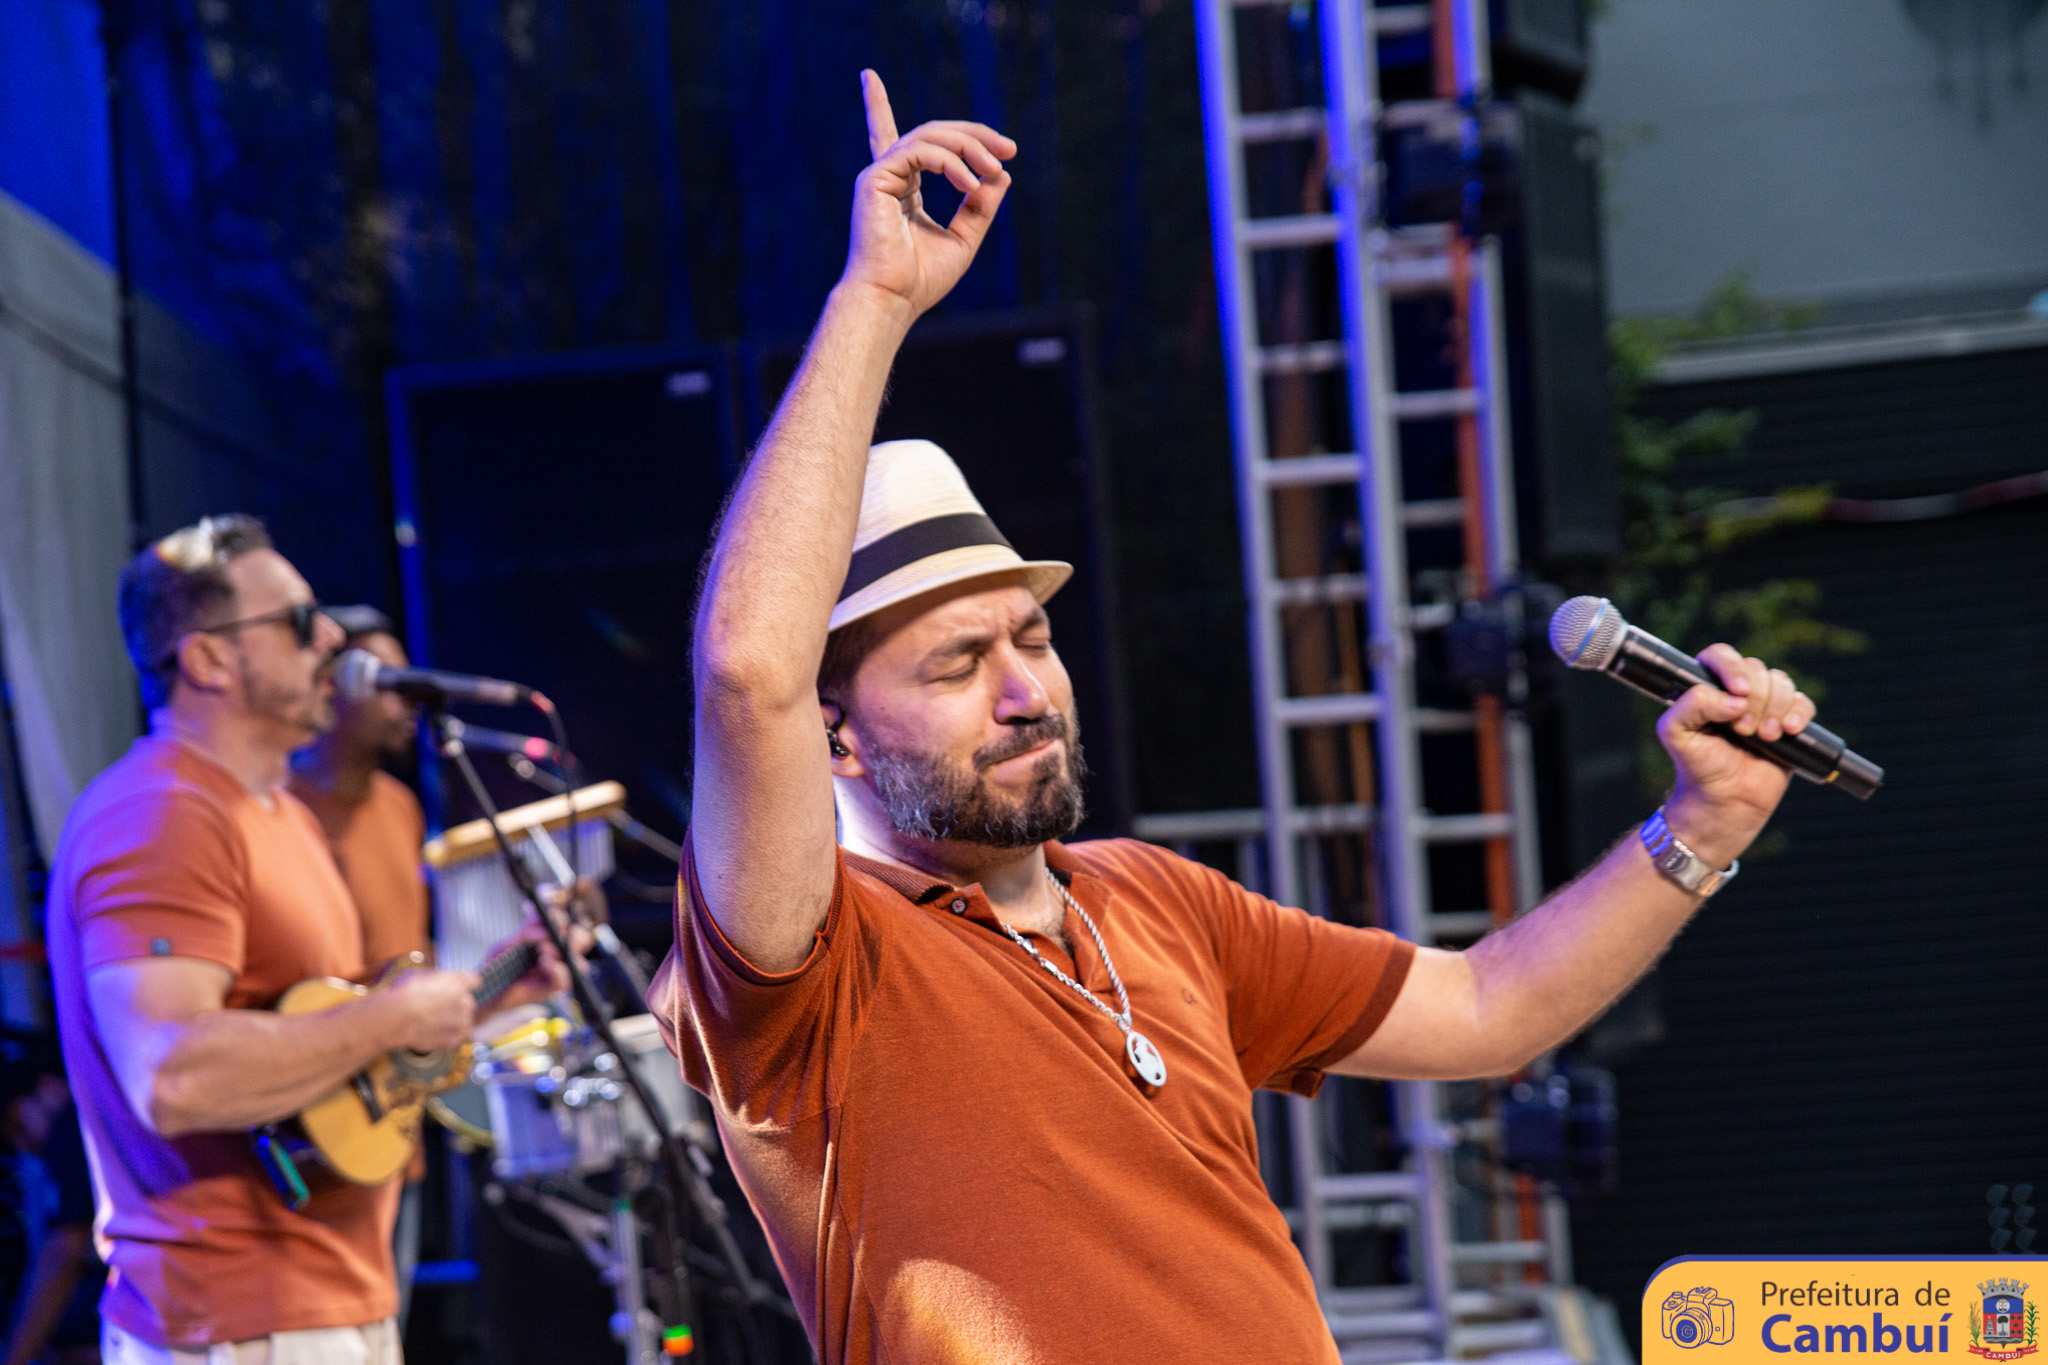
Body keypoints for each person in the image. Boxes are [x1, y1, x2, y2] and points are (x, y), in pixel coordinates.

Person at [648, 70, 1821, 1363]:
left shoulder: (1156, 899)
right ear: (835, 735)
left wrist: (1700, 825)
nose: (1026, 691)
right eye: (955, 665)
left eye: (1031, 639)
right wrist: (874, 301)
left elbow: (1489, 1008)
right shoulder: (809, 963)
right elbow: (747, 673)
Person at [44, 515, 567, 1365]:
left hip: (325, 1302)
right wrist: (395, 1017)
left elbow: (333, 1042)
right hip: (239, 1315)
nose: (329, 636)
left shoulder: (280, 813)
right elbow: (172, 1076)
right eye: (297, 620)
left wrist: (490, 997)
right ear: (208, 659)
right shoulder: (161, 814)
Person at [286, 606, 432, 1326]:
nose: (409, 701)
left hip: (397, 1124)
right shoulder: (283, 812)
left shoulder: (401, 807)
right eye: (387, 682)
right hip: (320, 1133)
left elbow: (412, 963)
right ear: (332, 688)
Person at [0, 1045, 102, 1365]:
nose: (25, 1145)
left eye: (19, 1126)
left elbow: (63, 1252)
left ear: (48, 1087)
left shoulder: (73, 1123)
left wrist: (16, 1358)